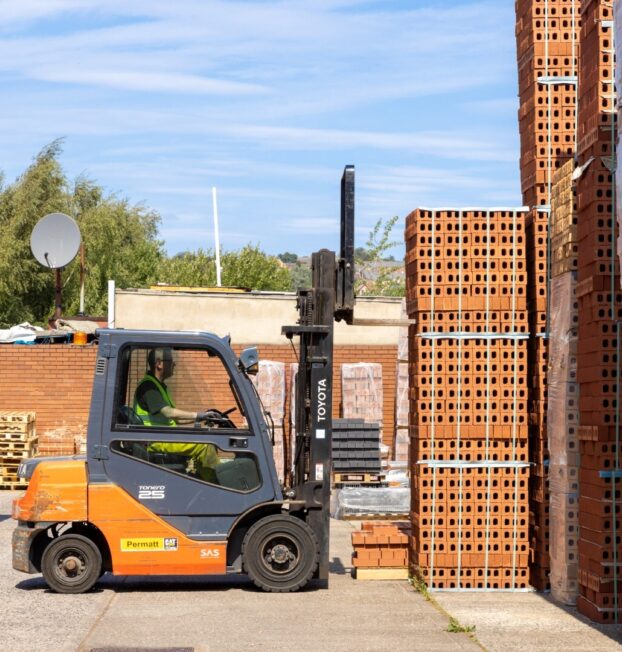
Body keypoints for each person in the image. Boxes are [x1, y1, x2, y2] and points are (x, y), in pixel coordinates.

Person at [133, 347, 220, 482]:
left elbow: (175, 420)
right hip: (154, 439)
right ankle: (216, 486)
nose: (174, 364)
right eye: (171, 361)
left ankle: (200, 480)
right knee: (205, 445)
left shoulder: (159, 386)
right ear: (159, 363)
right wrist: (198, 415)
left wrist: (202, 420)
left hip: (162, 436)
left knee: (205, 437)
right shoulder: (149, 387)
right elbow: (168, 413)